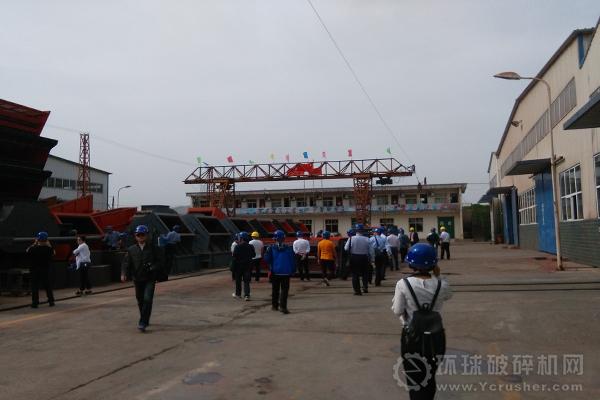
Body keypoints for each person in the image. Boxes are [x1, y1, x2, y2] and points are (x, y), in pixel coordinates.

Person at [391, 243, 452, 400]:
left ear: (411, 264)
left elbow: (397, 310)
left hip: (413, 337)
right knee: (430, 375)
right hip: (436, 337)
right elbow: (448, 295)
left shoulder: (403, 284)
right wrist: (437, 277)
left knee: (415, 378)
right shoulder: (442, 284)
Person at [121, 225, 162, 332]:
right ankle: (145, 318)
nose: (140, 237)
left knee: (147, 299)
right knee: (140, 300)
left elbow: (160, 261)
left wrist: (153, 267)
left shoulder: (153, 248)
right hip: (137, 278)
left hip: (149, 278)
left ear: (146, 235)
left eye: (142, 234)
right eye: (138, 235)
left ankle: (142, 322)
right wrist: (124, 273)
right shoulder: (131, 250)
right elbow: (126, 263)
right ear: (135, 236)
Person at [264, 230, 296, 314]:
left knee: (275, 290)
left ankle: (274, 306)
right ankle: (283, 307)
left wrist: (267, 254)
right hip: (286, 272)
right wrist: (293, 270)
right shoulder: (289, 248)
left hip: (275, 272)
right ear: (284, 238)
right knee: (284, 290)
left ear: (275, 239)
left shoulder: (271, 248)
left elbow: (267, 259)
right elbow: (292, 260)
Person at [26, 231, 55, 308]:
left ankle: (35, 303)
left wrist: (34, 243)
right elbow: (53, 253)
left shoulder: (33, 249)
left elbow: (27, 250)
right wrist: (49, 244)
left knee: (35, 286)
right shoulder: (49, 249)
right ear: (46, 240)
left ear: (38, 239)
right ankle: (51, 301)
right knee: (47, 286)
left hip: (34, 270)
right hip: (45, 270)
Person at [343, 224, 372, 295]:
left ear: (356, 230)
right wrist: (371, 259)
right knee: (365, 273)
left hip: (354, 257)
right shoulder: (367, 239)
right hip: (364, 257)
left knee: (355, 274)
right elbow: (371, 251)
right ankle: (365, 287)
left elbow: (346, 248)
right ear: (363, 230)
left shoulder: (351, 238)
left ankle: (357, 291)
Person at [231, 231, 255, 300]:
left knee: (238, 281)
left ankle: (238, 294)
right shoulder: (250, 246)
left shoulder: (237, 246)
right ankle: (247, 295)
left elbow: (234, 256)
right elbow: (254, 255)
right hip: (247, 266)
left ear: (241, 238)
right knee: (246, 281)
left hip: (238, 267)